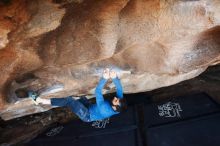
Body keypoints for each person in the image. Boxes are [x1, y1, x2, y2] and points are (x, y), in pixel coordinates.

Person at [30, 68, 127, 122]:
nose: (115, 98)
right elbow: (119, 89)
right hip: (90, 107)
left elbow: (98, 91)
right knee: (81, 97)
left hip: (87, 115)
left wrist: (104, 78)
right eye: (117, 99)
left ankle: (40, 101)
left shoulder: (105, 108)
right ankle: (54, 102)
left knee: (69, 101)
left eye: (115, 101)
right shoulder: (119, 105)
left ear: (114, 107)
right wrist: (114, 77)